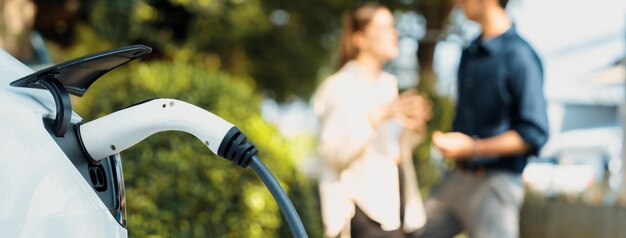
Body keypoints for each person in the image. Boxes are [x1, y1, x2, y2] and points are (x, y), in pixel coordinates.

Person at [418, 0, 549, 237]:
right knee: (416, 230)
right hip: (458, 176)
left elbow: (534, 132)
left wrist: (472, 147)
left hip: (496, 183)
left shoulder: (519, 55)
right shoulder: (470, 53)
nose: (458, 3)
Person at [313, 2, 431, 237]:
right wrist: (378, 117)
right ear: (360, 39)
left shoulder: (388, 84)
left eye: (393, 26)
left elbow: (392, 152)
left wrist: (414, 129)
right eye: (385, 27)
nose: (394, 33)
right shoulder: (339, 86)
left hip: (395, 212)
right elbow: (333, 153)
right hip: (361, 215)